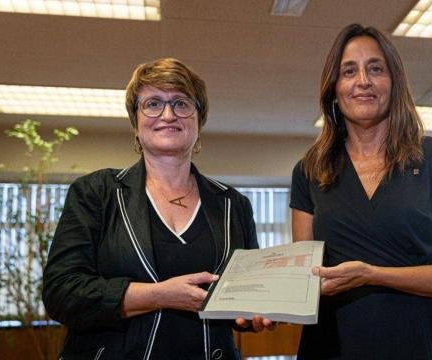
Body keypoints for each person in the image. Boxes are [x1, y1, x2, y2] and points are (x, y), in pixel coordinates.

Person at [43, 58, 273, 360]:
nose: (168, 114)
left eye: (181, 103)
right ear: (135, 123)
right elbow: (62, 293)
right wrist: (160, 295)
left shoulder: (233, 204)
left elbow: (243, 293)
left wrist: (253, 311)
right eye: (152, 104)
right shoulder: (96, 193)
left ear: (198, 119)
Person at [290, 24, 432, 359]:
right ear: (334, 88)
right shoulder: (310, 170)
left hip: (419, 342)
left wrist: (374, 275)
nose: (362, 81)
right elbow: (305, 278)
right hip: (332, 344)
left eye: (375, 68)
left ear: (394, 82)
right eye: (348, 71)